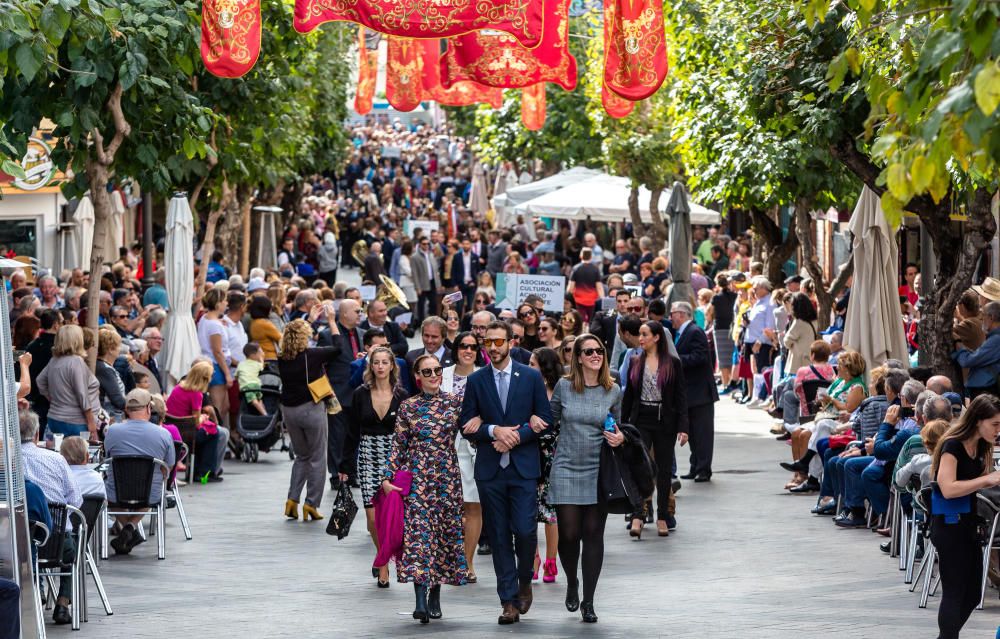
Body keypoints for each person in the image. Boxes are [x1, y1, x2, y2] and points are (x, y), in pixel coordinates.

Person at [459, 321, 552, 625]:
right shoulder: (476, 380)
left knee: (525, 531)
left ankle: (525, 581)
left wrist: (516, 436)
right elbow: (467, 424)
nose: (494, 347)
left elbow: (545, 418)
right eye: (489, 343)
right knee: (498, 536)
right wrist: (492, 430)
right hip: (490, 471)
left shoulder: (530, 377)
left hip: (523, 468)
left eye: (500, 342)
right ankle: (508, 600)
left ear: (511, 343)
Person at [382, 353, 468, 624]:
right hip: (417, 477)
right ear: (417, 377)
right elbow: (399, 444)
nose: (433, 376)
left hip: (446, 477)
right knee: (419, 536)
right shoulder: (408, 407)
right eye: (427, 372)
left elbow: (472, 431)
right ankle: (419, 600)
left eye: (437, 371)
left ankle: (435, 595)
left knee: (442, 535)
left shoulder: (455, 403)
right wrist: (388, 476)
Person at [548, 333, 623, 623]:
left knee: (593, 534)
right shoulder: (565, 387)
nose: (595, 355)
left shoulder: (613, 389)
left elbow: (618, 424)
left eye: (599, 351)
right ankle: (572, 581)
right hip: (566, 466)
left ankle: (589, 600)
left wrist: (620, 437)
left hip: (598, 469)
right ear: (578, 357)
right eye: (588, 351)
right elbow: (551, 420)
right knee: (568, 535)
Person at [930, 394, 1000, 639]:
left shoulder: (981, 446)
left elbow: (984, 479)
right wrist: (986, 479)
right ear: (978, 420)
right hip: (949, 525)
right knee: (954, 590)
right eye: (995, 424)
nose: (998, 430)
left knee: (971, 592)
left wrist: (988, 477)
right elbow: (947, 488)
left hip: (969, 524)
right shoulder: (953, 445)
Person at [345, 346, 407, 588]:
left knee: (392, 512)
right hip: (368, 455)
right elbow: (350, 431)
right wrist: (345, 464)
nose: (380, 366)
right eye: (376, 362)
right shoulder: (360, 394)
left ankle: (383, 561)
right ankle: (382, 559)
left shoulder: (402, 395)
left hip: (395, 456)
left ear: (392, 366)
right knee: (372, 517)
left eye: (384, 362)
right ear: (370, 366)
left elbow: (408, 432)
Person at [622, 321, 688, 538]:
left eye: (644, 334)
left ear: (657, 337)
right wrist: (624, 426)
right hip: (641, 419)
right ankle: (638, 516)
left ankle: (662, 516)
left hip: (664, 421)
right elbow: (629, 397)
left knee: (663, 470)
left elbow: (680, 398)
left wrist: (683, 427)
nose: (640, 339)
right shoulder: (634, 361)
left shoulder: (672, 363)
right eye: (639, 335)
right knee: (639, 468)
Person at [18, 407, 81, 625]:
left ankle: (39, 590)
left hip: (18, 544)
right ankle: (63, 604)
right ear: (37, 434)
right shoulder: (56, 460)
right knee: (71, 544)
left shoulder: (7, 462)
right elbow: (75, 501)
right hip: (57, 543)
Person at [279, 318, 342, 520]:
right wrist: (332, 322)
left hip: (289, 410)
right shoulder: (312, 355)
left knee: (301, 456)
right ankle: (311, 504)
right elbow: (338, 347)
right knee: (317, 457)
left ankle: (292, 500)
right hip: (310, 408)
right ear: (304, 338)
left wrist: (310, 320)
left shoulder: (282, 357)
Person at [104, 389, 176, 554]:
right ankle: (130, 529)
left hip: (117, 493)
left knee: (110, 489)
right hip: (150, 493)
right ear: (149, 409)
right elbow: (169, 466)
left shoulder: (112, 431)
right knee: (152, 485)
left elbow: (107, 458)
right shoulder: (163, 434)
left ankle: (128, 530)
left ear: (126, 410)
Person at [441, 332, 482, 582]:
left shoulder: (484, 375)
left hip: (472, 449)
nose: (468, 350)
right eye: (463, 346)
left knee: (473, 505)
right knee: (446, 508)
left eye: (473, 347)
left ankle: (467, 562)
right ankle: (448, 559)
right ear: (455, 349)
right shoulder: (440, 374)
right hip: (442, 450)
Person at [671, 302, 719, 482]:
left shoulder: (694, 331)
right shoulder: (685, 332)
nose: (671, 317)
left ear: (682, 314)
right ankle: (695, 465)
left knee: (702, 433)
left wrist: (676, 360)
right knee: (692, 432)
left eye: (673, 313)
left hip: (700, 393)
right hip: (691, 392)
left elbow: (700, 357)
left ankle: (703, 469)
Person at [316, 299, 361, 487]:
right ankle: (336, 475)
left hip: (359, 392)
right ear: (344, 314)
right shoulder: (327, 335)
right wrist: (324, 393)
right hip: (337, 392)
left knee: (354, 435)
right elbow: (320, 365)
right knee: (336, 436)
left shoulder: (361, 333)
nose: (360, 313)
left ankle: (351, 472)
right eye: (356, 311)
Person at [529, 346, 563, 584]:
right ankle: (533, 559)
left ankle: (551, 559)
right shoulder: (528, 389)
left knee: (552, 514)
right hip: (531, 453)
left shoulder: (560, 389)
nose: (528, 367)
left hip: (556, 456)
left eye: (532, 363)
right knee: (528, 512)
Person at [164, 360, 226, 482]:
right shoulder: (196, 394)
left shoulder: (179, 387)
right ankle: (204, 472)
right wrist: (203, 417)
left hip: (175, 428)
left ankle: (199, 469)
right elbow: (196, 422)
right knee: (214, 433)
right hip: (187, 433)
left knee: (208, 433)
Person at [36, 325, 100, 442]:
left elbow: (40, 381)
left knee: (61, 455)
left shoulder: (54, 360)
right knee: (79, 457)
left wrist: (54, 399)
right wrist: (91, 423)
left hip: (55, 417)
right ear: (77, 340)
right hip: (76, 421)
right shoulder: (76, 361)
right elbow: (82, 394)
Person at [197, 288, 233, 427]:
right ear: (218, 304)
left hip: (211, 364)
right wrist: (227, 374)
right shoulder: (214, 325)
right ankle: (215, 435)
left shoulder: (206, 319)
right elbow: (217, 351)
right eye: (224, 301)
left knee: (225, 406)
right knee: (217, 408)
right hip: (216, 367)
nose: (226, 303)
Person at [952, 300, 1000, 397]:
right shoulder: (994, 337)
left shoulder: (996, 339)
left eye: (983, 315)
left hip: (986, 390)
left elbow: (967, 361)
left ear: (991, 317)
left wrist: (958, 343)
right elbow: (979, 357)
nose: (981, 318)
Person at [96, 327, 128, 422]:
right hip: (111, 416)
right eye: (118, 346)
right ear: (110, 349)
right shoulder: (105, 369)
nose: (120, 349)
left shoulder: (104, 366)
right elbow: (118, 400)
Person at [568, 248, 604, 323]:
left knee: (581, 320)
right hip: (592, 300)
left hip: (578, 300)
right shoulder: (595, 269)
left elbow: (571, 287)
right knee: (590, 321)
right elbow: (599, 287)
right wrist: (603, 299)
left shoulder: (576, 268)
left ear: (581, 256)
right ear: (591, 257)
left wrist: (567, 297)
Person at [236, 342, 267, 416]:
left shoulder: (241, 364)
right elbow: (262, 368)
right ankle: (265, 413)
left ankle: (264, 413)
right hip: (256, 385)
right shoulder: (257, 364)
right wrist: (261, 359)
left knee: (254, 401)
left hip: (246, 386)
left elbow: (237, 376)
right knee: (259, 399)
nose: (262, 353)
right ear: (253, 355)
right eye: (260, 352)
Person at [249, 295, 283, 360]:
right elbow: (280, 337)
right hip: (270, 357)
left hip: (262, 356)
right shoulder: (264, 324)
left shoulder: (254, 322)